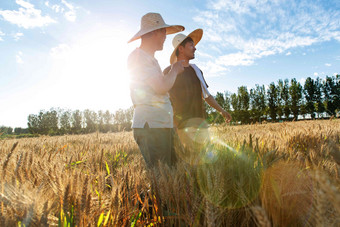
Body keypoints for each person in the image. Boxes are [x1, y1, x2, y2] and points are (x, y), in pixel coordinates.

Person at [127, 12, 185, 168]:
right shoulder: (139, 57)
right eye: (163, 32)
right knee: (162, 177)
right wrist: (174, 70)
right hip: (152, 126)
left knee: (173, 172)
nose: (165, 37)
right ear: (153, 33)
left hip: (160, 125)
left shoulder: (150, 59)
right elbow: (161, 88)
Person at [163, 29, 232, 154]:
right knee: (190, 161)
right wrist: (173, 126)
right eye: (191, 45)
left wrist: (222, 110)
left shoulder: (197, 71)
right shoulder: (169, 71)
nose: (195, 48)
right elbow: (164, 100)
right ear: (181, 49)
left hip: (201, 125)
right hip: (183, 127)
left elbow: (206, 96)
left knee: (204, 161)